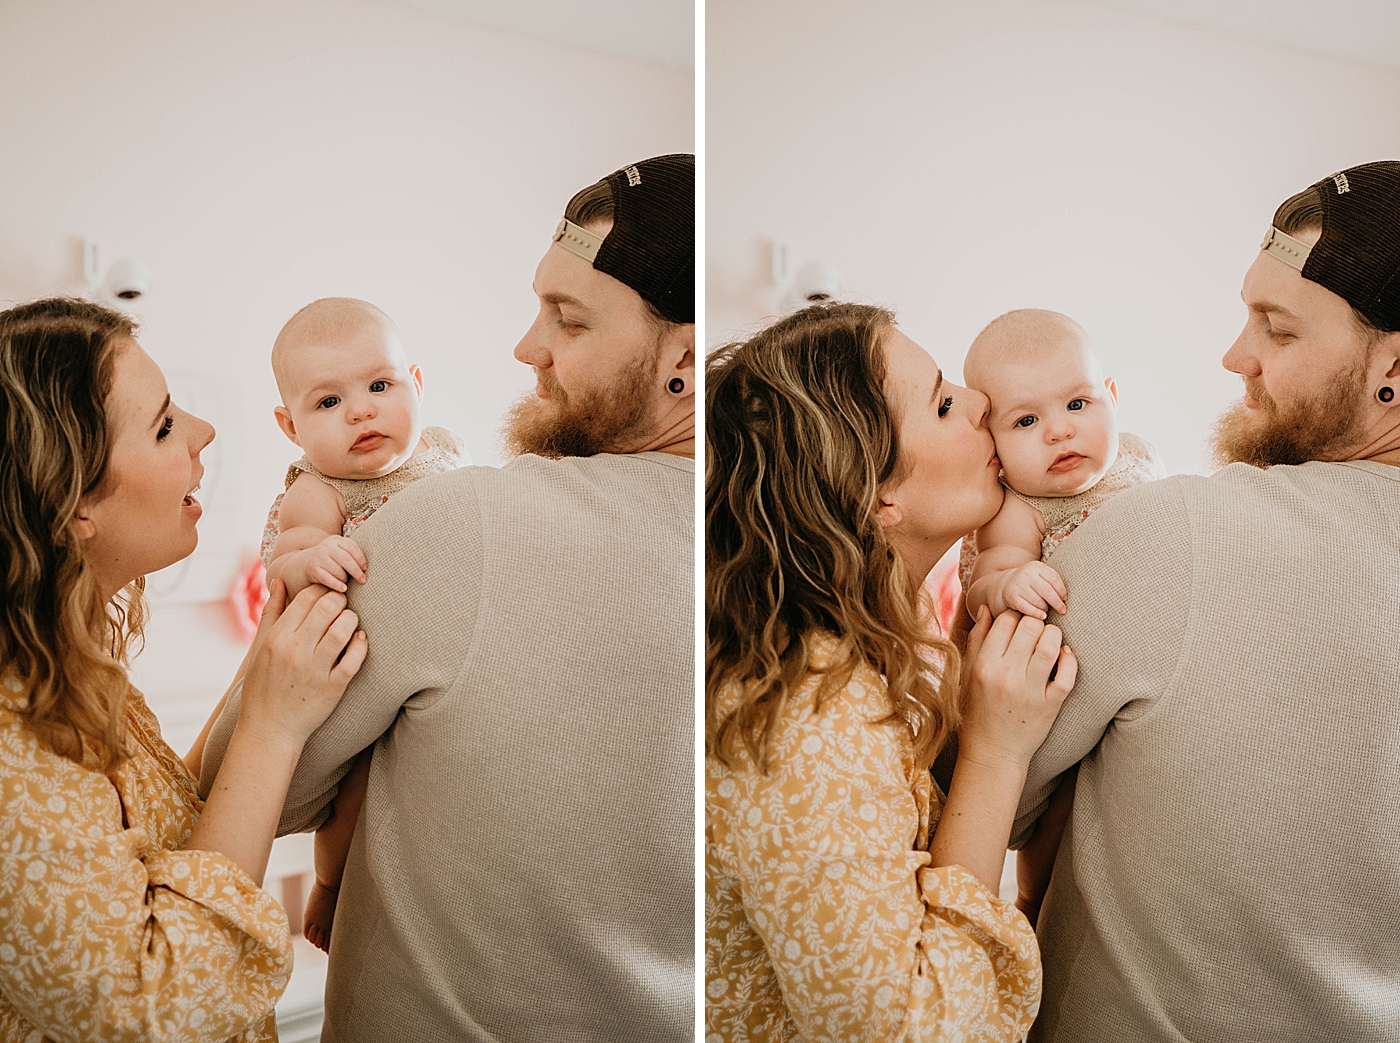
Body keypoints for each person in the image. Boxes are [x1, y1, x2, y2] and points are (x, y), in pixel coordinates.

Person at [201, 153, 696, 1043]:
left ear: (683, 362)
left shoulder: (463, 523)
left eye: (568, 319)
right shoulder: (772, 555)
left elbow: (227, 785)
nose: (526, 346)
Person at [1009, 160, 1400, 1042]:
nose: (1236, 357)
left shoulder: (1181, 533)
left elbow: (982, 793)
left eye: (1280, 330)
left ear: (1394, 372)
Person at [705, 301, 1078, 1041]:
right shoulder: (806, 710)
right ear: (878, 499)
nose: (980, 405)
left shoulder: (878, 638)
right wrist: (994, 755)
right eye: (943, 402)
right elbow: (909, 1029)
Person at [0, 297, 366, 1042]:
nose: (203, 433)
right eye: (164, 424)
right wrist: (269, 724)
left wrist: (263, 672)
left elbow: (163, 846)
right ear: (72, 506)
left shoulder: (57, 659)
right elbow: (157, 1006)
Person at [258, 296, 465, 952]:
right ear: (291, 426)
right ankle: (328, 881)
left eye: (380, 385)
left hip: (436, 661)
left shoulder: (441, 455)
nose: (362, 409)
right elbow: (287, 559)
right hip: (348, 669)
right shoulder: (316, 490)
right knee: (359, 791)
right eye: (328, 402)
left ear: (418, 384)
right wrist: (314, 552)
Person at [960, 309, 1164, 621]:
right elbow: (980, 590)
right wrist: (1005, 585)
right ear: (992, 438)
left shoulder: (1137, 451)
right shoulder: (1018, 509)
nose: (1059, 431)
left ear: (1111, 399)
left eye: (1076, 404)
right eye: (1026, 420)